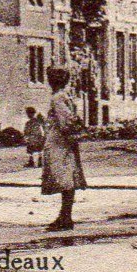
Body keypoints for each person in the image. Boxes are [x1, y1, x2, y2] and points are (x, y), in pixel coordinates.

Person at [40, 68, 87, 231]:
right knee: (68, 177)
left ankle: (65, 217)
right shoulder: (66, 95)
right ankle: (65, 215)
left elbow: (65, 120)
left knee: (64, 177)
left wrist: (68, 133)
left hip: (59, 142)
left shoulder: (57, 97)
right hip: (65, 140)